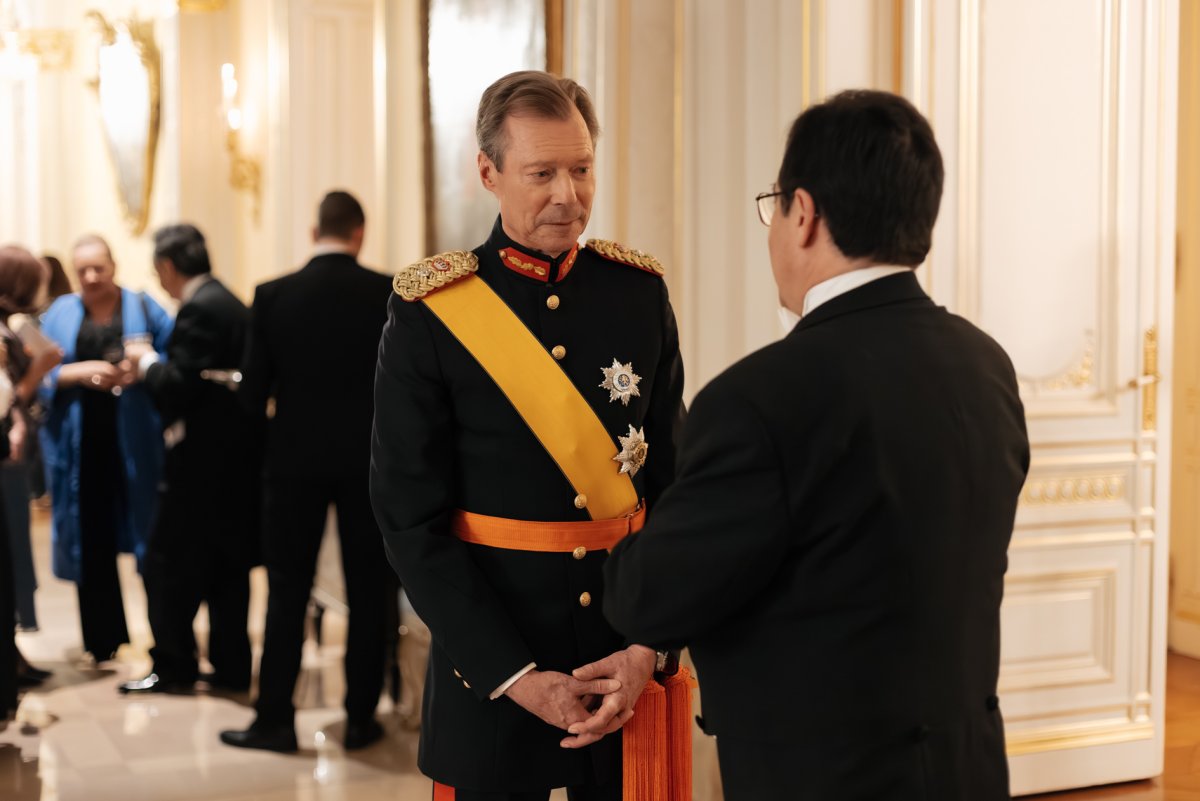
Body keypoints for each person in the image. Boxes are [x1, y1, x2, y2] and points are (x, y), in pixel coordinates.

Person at [600, 90, 1031, 801]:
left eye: (775, 206)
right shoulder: (984, 364)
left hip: (822, 776)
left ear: (804, 213)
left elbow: (646, 596)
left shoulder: (759, 398)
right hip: (966, 766)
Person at [370, 70, 687, 801]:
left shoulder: (637, 293)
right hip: (493, 677)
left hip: (624, 670)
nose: (567, 195)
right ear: (489, 172)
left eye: (581, 169)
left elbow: (674, 487)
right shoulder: (430, 312)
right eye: (541, 173)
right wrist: (511, 673)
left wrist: (649, 645)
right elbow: (408, 518)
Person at [220, 190, 395, 753]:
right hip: (368, 462)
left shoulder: (273, 295)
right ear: (360, 233)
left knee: (287, 589)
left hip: (292, 461)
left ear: (313, 231)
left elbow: (252, 396)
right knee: (371, 590)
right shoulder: (388, 292)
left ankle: (274, 718)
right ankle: (362, 717)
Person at [118, 224, 261, 695]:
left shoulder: (200, 307)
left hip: (200, 465)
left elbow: (179, 387)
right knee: (227, 571)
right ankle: (231, 667)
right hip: (237, 465)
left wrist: (145, 363)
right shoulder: (231, 300)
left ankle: (175, 665)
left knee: (165, 565)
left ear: (166, 267)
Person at [39, 235, 173, 663]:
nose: (92, 277)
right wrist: (82, 372)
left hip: (136, 442)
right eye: (83, 271)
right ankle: (102, 639)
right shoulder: (60, 312)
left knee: (149, 540)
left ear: (114, 266)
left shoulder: (145, 307)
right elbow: (37, 372)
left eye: (99, 267)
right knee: (90, 538)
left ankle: (166, 641)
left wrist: (140, 372)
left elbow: (172, 363)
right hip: (83, 446)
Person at [0, 245, 60, 693]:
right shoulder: (6, 332)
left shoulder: (10, 327)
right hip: (5, 456)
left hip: (15, 455)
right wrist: (38, 369)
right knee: (10, 551)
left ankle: (13, 653)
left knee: (16, 550)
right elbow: (10, 397)